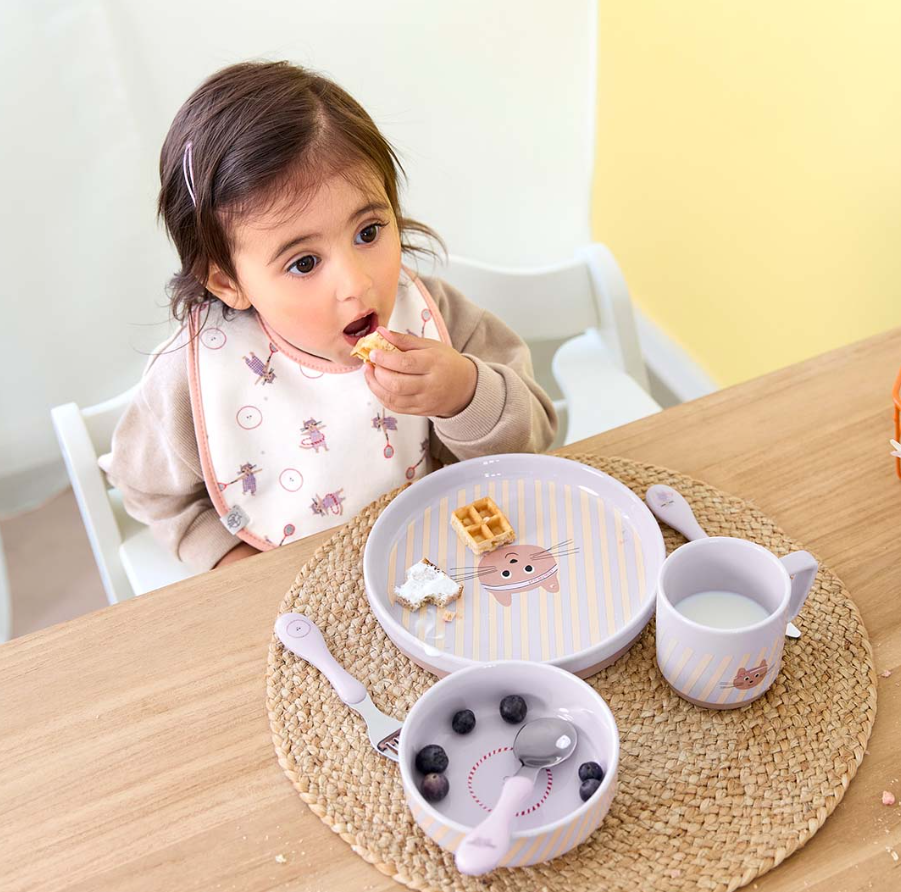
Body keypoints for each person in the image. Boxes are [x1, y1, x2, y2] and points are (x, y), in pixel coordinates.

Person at [100, 61, 557, 570]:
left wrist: (465, 395)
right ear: (228, 282)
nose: (356, 283)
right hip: (292, 589)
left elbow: (536, 437)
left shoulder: (437, 316)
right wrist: (227, 556)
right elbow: (152, 493)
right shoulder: (192, 381)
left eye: (368, 232)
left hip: (439, 563)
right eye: (304, 263)